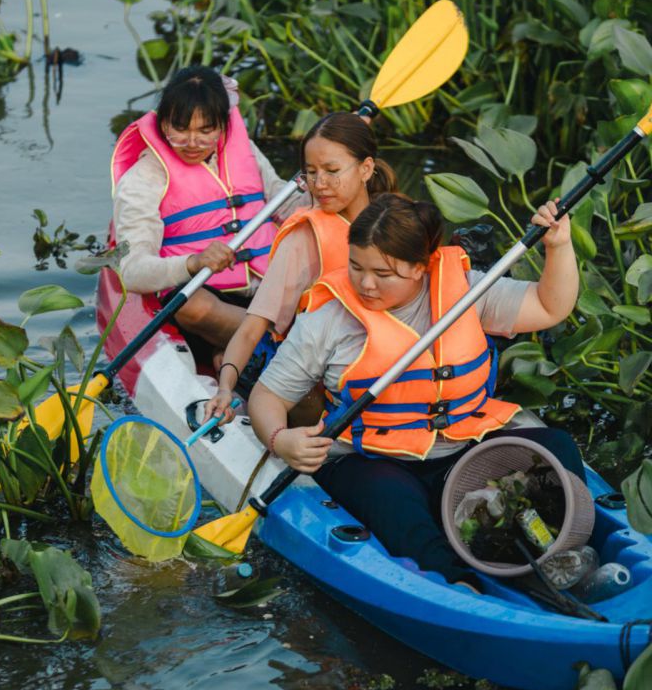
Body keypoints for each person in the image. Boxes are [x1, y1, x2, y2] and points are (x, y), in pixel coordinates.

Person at [248, 192, 583, 590]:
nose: (366, 284)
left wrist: (558, 246)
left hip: (463, 446)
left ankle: (562, 550)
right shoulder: (328, 319)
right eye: (356, 266)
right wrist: (279, 438)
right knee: (393, 500)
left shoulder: (469, 292)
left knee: (557, 447)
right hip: (374, 459)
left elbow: (550, 307)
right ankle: (457, 585)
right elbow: (267, 397)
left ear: (421, 267)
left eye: (383, 274)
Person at [203, 112, 398, 423]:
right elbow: (253, 327)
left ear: (366, 168)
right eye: (310, 172)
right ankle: (230, 369)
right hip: (314, 370)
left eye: (332, 170)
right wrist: (225, 388)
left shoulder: (394, 219)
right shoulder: (304, 238)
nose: (319, 185)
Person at [110, 65, 304, 348]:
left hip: (268, 284)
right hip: (207, 295)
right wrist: (194, 262)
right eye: (180, 129)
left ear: (223, 125)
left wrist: (325, 185)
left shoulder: (244, 151)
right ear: (163, 124)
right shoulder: (143, 178)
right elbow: (132, 270)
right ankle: (282, 344)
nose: (192, 143)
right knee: (193, 306)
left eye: (205, 130)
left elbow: (286, 206)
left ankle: (249, 347)